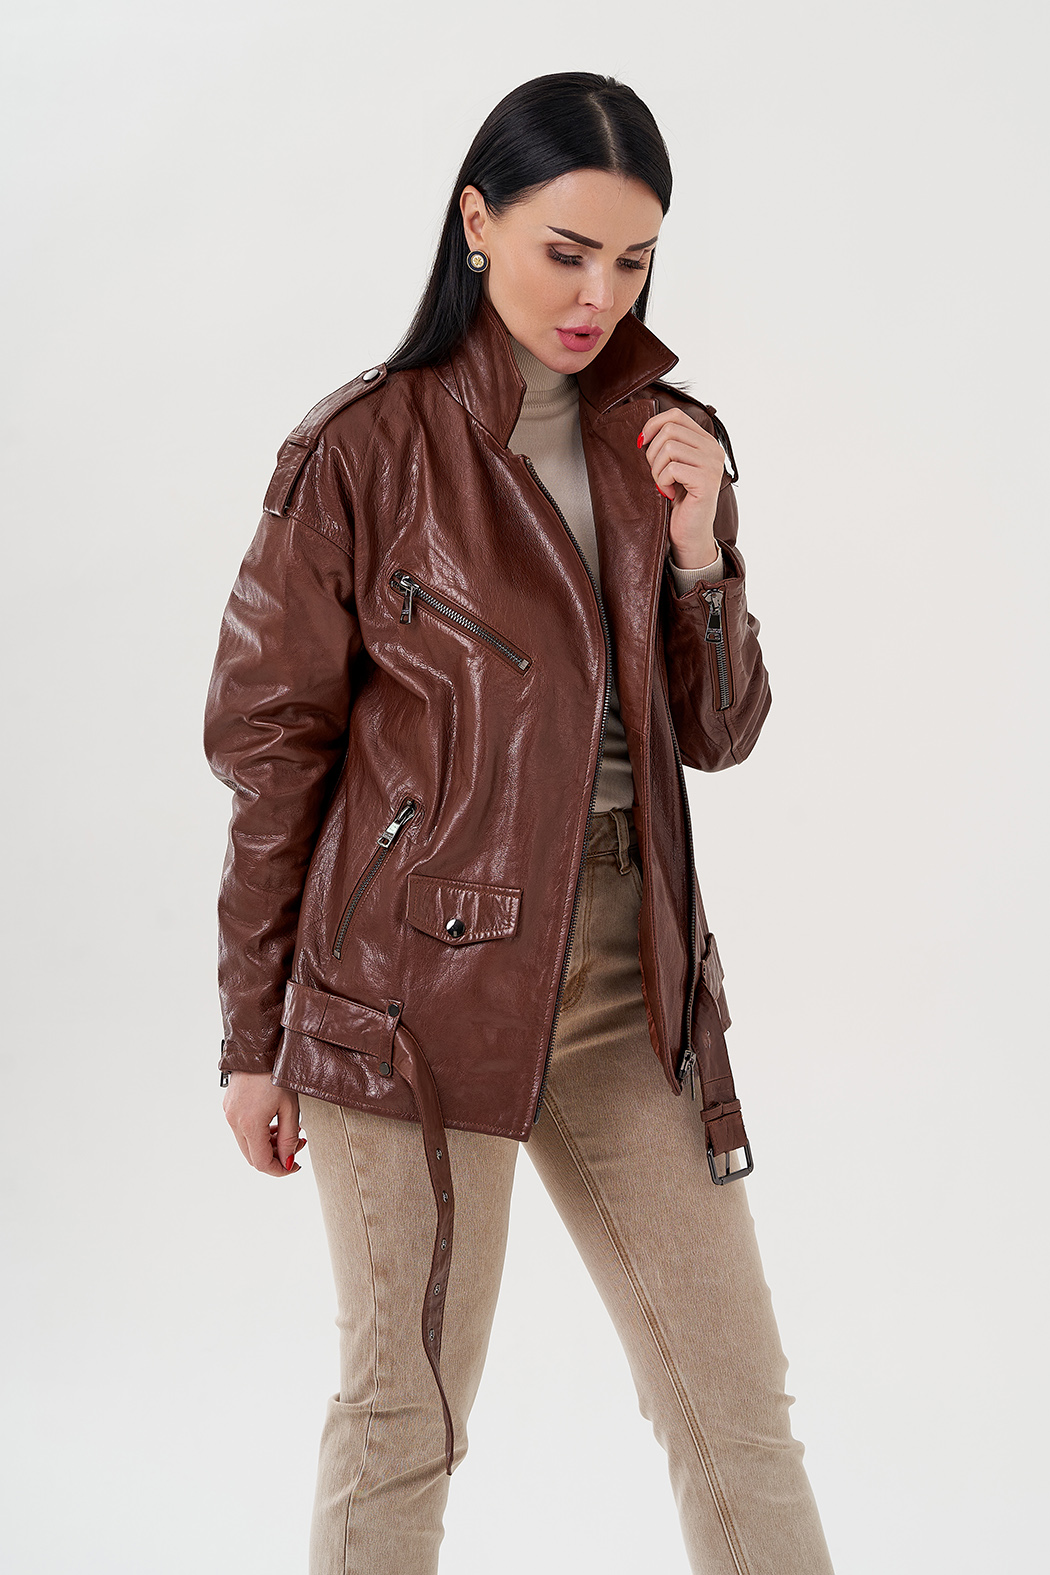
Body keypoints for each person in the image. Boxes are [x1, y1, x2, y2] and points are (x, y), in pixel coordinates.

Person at [203, 70, 835, 1575]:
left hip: (628, 972)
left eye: (632, 261)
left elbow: (718, 734)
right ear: (475, 222)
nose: (598, 296)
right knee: (405, 1416)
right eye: (566, 251)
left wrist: (703, 553)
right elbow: (272, 750)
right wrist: (251, 1034)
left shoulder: (664, 442)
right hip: (408, 991)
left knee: (736, 1412)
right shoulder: (363, 450)